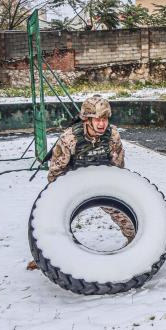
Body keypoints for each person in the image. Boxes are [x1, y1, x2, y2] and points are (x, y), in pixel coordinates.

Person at [28, 95, 130, 271]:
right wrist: (60, 198)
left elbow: (118, 166)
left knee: (126, 214)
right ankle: (43, 257)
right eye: (97, 119)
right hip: (72, 185)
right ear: (87, 119)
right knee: (47, 219)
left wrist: (115, 190)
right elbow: (55, 173)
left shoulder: (112, 135)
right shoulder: (69, 138)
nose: (101, 124)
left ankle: (137, 243)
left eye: (104, 119)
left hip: (102, 182)